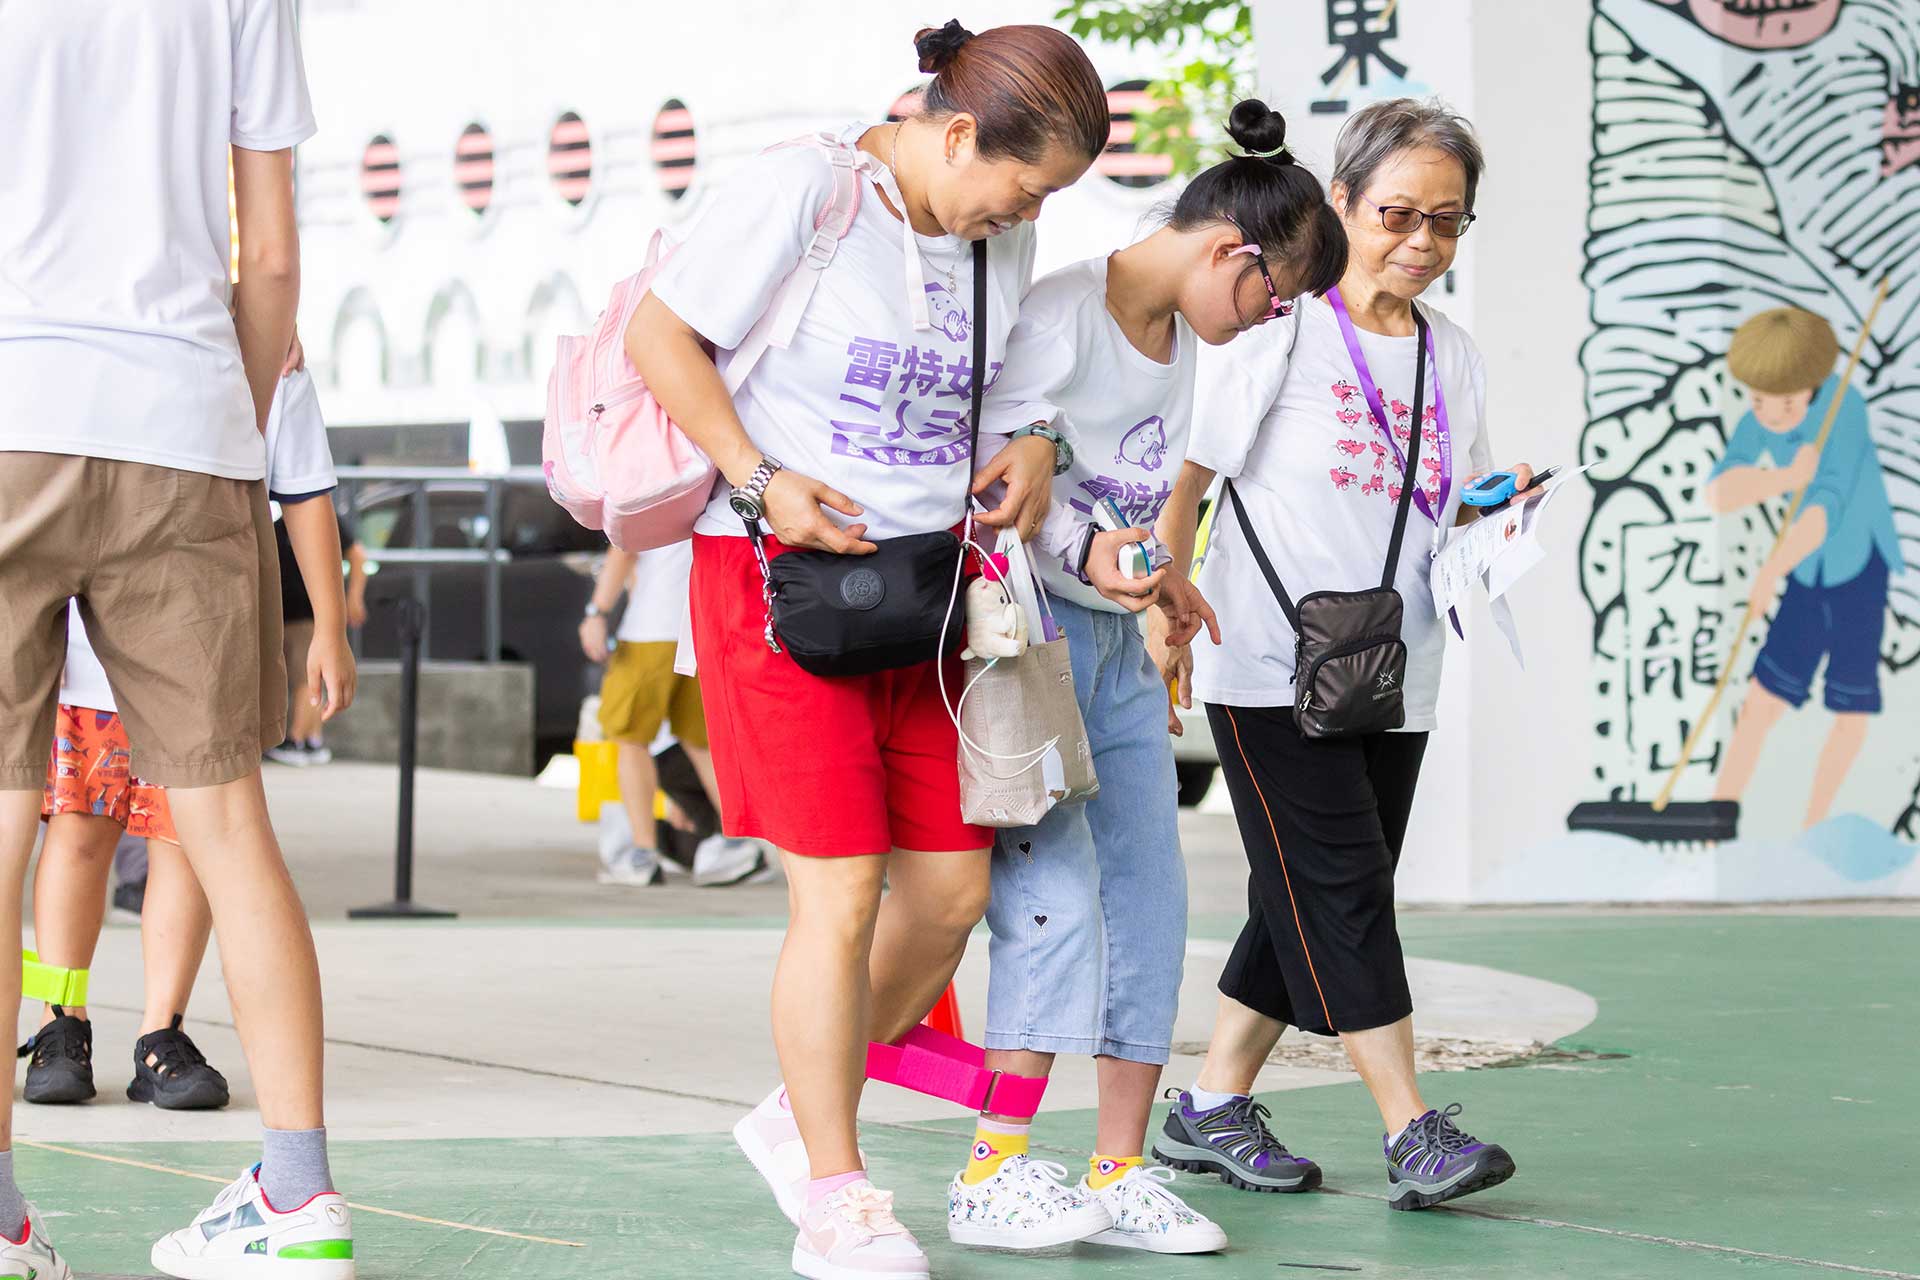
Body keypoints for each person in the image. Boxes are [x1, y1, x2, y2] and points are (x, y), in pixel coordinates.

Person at [629, 19, 1107, 1278]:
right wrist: (759, 477)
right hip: (788, 584)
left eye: (1044, 196)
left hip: (935, 590)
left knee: (948, 895)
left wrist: (1037, 442)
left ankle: (797, 1113)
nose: (1025, 207)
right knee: (837, 892)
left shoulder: (1000, 232)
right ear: (958, 132)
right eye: (1021, 181)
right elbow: (659, 338)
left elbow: (999, 387)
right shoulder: (809, 190)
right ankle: (838, 1191)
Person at [947, 101, 1348, 1253]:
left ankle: (1117, 1168)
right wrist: (1096, 557)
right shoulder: (1064, 310)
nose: (1269, 321)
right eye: (1274, 297)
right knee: (1054, 901)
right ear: (1233, 250)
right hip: (1029, 645)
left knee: (1151, 904)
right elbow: (1003, 490)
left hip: (1117, 645)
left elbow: (1121, 500)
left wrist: (1161, 580)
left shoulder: (1179, 340)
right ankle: (994, 1166)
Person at [0, 2, 359, 1275]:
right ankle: (299, 1196)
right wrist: (230, 423)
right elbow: (270, 258)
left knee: (5, 818)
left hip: (8, 406)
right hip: (183, 419)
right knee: (227, 821)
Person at [1151, 98, 1532, 1213]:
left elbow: (1462, 499)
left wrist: (1501, 517)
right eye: (1398, 213)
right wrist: (1163, 612)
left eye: (1448, 223)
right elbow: (1192, 479)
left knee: (1303, 891)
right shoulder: (1282, 327)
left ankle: (1212, 1105)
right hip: (1269, 666)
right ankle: (1412, 1126)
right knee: (1346, 886)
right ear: (1347, 204)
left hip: (1396, 668)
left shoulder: (1450, 353)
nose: (1421, 241)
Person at [20, 361, 356, 1115]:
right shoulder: (89, 338)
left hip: (199, 657)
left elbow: (304, 489)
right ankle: (59, 1022)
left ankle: (159, 1034)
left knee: (185, 845)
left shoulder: (268, 364)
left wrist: (329, 628)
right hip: (83, 660)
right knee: (76, 834)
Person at [1705, 307, 1902, 830]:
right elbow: (1721, 492)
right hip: (1806, 568)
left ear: (1812, 388)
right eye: (1758, 401)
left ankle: (1815, 826)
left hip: (1857, 565)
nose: (1770, 416)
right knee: (1764, 697)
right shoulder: (1760, 417)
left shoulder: (1844, 408)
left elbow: (1825, 509)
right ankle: (1721, 814)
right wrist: (1784, 478)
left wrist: (1773, 569)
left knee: (1850, 702)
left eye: (1787, 403)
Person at [578, 543, 768, 886]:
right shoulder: (708, 488)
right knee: (701, 742)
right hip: (700, 629)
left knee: (629, 739)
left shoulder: (646, 489)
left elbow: (624, 549)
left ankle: (642, 853)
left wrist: (597, 611)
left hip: (649, 631)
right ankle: (735, 844)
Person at [266, 343, 368, 767]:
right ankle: (305, 738)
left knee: (306, 676)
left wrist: (345, 607)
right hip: (287, 609)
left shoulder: (316, 510)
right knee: (297, 676)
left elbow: (356, 553)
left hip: (307, 608)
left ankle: (303, 739)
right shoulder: (271, 515)